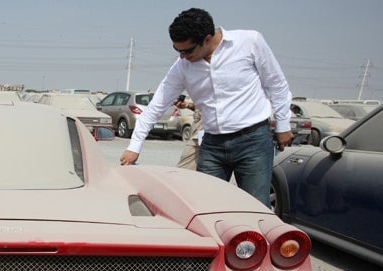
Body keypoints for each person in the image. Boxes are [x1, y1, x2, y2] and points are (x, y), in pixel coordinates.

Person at [119, 7, 294, 207]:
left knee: (254, 208)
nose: (182, 56)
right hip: (212, 146)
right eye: (177, 51)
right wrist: (134, 147)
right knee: (206, 208)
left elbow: (276, 84)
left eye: (187, 50)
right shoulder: (182, 67)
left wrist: (283, 124)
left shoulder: (249, 42)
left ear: (208, 38)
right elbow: (156, 106)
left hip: (253, 142)